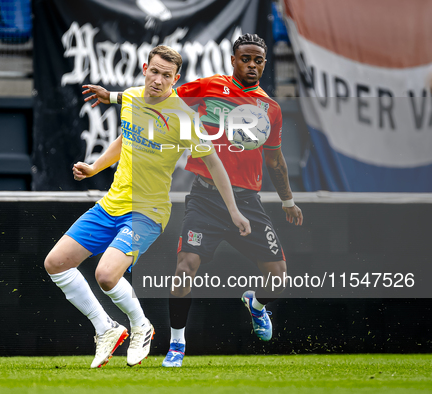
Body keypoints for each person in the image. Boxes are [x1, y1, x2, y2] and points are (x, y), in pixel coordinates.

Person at [82, 33, 304, 367]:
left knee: (279, 276)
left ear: (265, 64)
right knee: (184, 270)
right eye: (246, 58)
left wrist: (287, 200)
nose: (252, 65)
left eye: (259, 60)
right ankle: (176, 344)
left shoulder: (270, 110)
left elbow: (275, 161)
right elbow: (155, 95)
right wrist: (114, 97)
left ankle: (256, 306)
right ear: (233, 60)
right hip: (205, 197)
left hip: (247, 200)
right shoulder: (208, 87)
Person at [45, 45, 251, 369]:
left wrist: (235, 211)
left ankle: (141, 325)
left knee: (106, 275)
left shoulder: (182, 117)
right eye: (154, 71)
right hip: (111, 205)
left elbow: (215, 164)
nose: (158, 80)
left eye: (166, 75)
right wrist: (95, 167)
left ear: (175, 79)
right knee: (55, 263)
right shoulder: (131, 98)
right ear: (144, 68)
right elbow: (124, 138)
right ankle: (106, 328)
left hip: (148, 212)